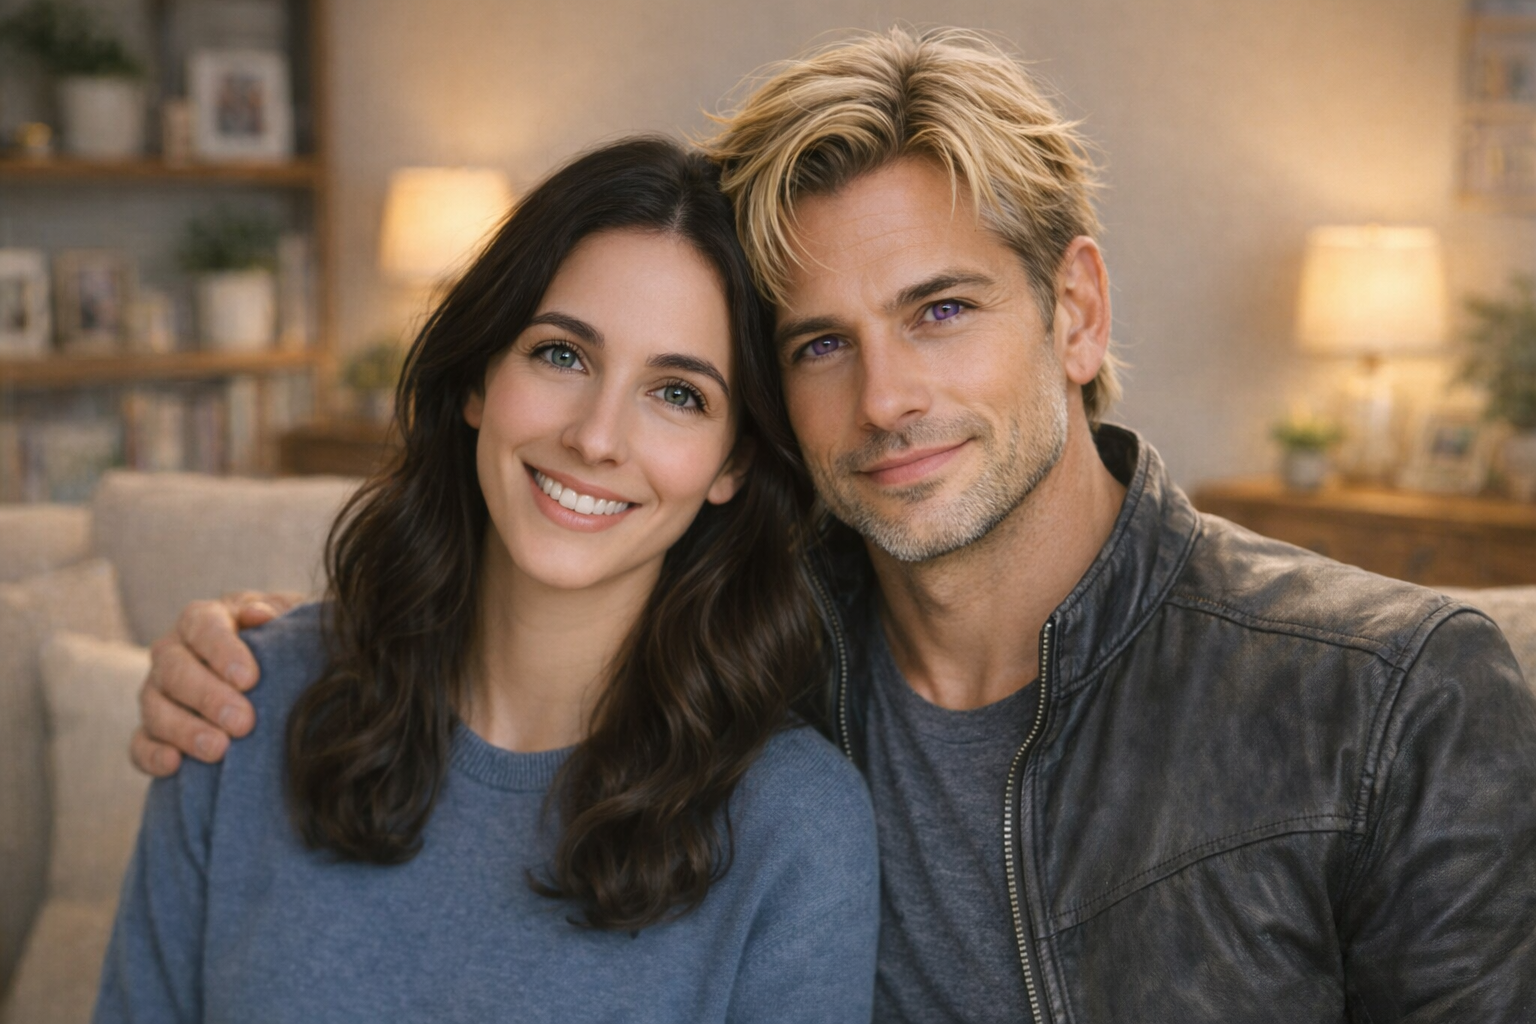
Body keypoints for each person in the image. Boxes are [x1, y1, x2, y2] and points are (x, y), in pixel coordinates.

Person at [131, 28, 1536, 1023]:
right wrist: (256, 654)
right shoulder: (747, 655)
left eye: (941, 309)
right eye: (818, 344)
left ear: (1076, 311)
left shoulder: (1389, 700)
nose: (886, 398)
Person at [95, 137, 879, 1024]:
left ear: (732, 463)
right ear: (479, 378)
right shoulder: (237, 704)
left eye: (678, 394)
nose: (596, 437)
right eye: (562, 355)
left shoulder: (795, 830)